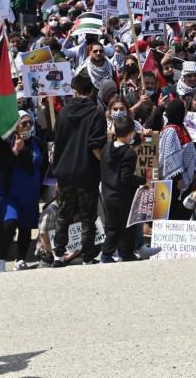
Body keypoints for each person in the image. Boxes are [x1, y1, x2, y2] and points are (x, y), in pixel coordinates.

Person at [51, 74, 107, 267]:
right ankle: (88, 256)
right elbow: (95, 145)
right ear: (90, 91)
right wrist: (106, 165)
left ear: (74, 91)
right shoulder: (96, 113)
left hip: (64, 171)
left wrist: (56, 172)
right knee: (88, 215)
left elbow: (57, 144)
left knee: (64, 213)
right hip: (87, 171)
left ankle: (58, 255)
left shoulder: (64, 112)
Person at [0, 111, 45, 270]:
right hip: (10, 194)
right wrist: (16, 151)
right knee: (10, 222)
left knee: (26, 228)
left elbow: (37, 165)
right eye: (23, 124)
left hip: (30, 196)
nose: (27, 127)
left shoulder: (37, 142)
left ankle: (20, 258)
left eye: (29, 123)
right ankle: (0, 259)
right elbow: (2, 166)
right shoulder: (6, 143)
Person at [100, 116, 146, 263]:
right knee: (128, 227)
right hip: (123, 196)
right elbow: (126, 177)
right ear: (131, 134)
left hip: (108, 194)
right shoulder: (129, 153)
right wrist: (143, 181)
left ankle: (106, 255)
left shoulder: (107, 147)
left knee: (112, 227)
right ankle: (126, 254)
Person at [160, 98, 196, 220]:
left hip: (180, 180)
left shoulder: (180, 128)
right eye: (183, 110)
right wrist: (178, 179)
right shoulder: (171, 130)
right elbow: (170, 158)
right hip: (174, 182)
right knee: (172, 213)